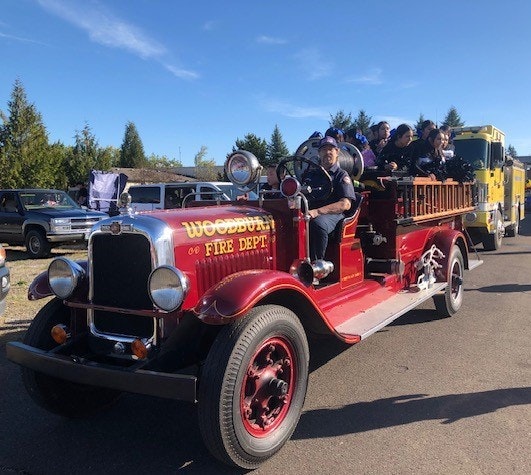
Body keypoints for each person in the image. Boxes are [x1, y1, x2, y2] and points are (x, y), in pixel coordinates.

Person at [307, 136, 357, 261]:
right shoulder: (311, 175)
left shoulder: (341, 175)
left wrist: (317, 211)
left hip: (334, 215)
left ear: (337, 152)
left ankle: (316, 267)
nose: (327, 153)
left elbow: (345, 204)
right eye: (324, 150)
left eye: (331, 149)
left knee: (318, 224)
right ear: (319, 153)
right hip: (309, 213)